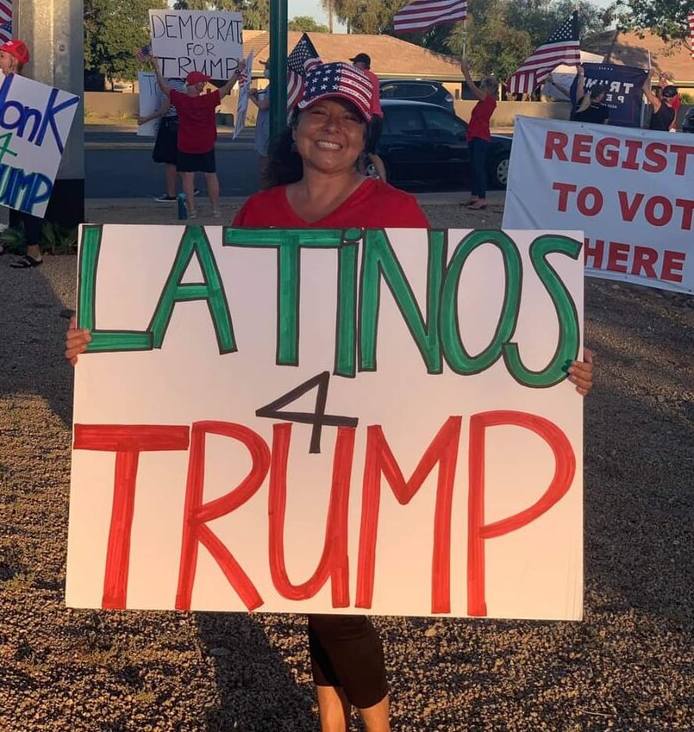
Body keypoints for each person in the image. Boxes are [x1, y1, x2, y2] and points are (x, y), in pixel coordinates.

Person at [65, 61, 595, 732]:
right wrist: (104, 343)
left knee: (338, 597)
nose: (332, 127)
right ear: (295, 127)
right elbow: (213, 331)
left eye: (349, 118)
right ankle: (330, 719)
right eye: (319, 113)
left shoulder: (396, 212)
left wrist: (556, 363)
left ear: (367, 134)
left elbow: (446, 320)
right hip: (274, 431)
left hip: (366, 432)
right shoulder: (259, 212)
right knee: (313, 585)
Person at [0, 40, 45, 268]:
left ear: (14, 61)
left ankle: (34, 252)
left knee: (24, 200)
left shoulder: (27, 89)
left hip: (19, 154)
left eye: (2, 56)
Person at [151, 62, 242, 219]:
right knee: (211, 175)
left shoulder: (180, 99)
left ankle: (192, 209)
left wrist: (157, 70)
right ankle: (215, 209)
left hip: (186, 145)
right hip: (205, 144)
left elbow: (164, 87)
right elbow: (227, 88)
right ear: (198, 85)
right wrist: (238, 71)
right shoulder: (208, 100)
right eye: (202, 82)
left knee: (188, 177)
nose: (204, 84)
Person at [138, 75, 189, 202]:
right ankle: (188, 185)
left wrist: (146, 119)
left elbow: (164, 109)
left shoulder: (171, 85)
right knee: (175, 159)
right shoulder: (184, 85)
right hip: (180, 123)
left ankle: (175, 191)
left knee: (170, 160)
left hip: (170, 123)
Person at [460, 60, 497, 210]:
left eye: (483, 86)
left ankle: (482, 198)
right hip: (474, 135)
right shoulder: (482, 102)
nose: (481, 89)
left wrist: (466, 73)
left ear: (490, 88)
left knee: (479, 167)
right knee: (474, 167)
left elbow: (472, 87)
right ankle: (475, 195)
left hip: (481, 137)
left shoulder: (489, 101)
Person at [349, 53, 386, 181]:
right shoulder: (374, 77)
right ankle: (383, 182)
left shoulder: (360, 76)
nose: (353, 65)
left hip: (367, 117)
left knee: (360, 152)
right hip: (378, 117)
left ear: (362, 64)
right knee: (372, 152)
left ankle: (360, 181)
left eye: (355, 62)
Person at [248, 67, 271, 187]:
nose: (265, 70)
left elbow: (263, 105)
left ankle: (265, 189)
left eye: (267, 67)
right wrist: (257, 96)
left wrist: (251, 98)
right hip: (265, 127)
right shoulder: (269, 87)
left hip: (268, 129)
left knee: (265, 165)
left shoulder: (274, 87)